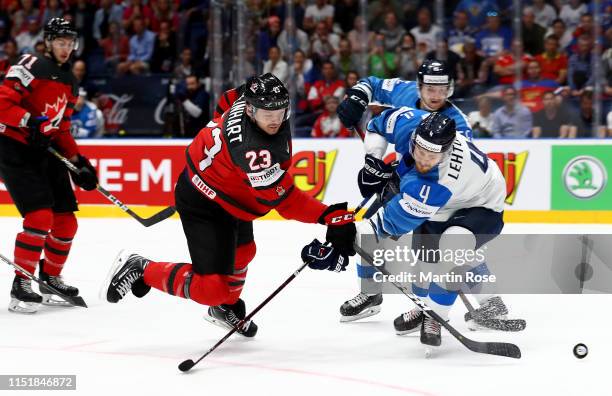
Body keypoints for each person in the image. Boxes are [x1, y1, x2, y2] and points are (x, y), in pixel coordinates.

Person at [101, 74, 357, 337]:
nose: (275, 119)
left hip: (230, 192)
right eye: (267, 114)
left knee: (244, 252)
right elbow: (286, 201)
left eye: (280, 111)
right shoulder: (253, 151)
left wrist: (224, 164)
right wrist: (329, 216)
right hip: (204, 203)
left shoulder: (248, 96)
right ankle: (143, 268)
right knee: (211, 289)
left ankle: (225, 309)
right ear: (251, 110)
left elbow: (226, 101)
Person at [338, 110, 511, 349]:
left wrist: (351, 235)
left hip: (482, 203)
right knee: (426, 256)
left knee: (454, 246)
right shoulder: (410, 123)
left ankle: (437, 316)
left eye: (431, 156)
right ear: (414, 139)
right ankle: (426, 304)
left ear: (446, 151)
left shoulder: (439, 181)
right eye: (419, 152)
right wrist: (374, 160)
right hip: (451, 200)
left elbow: (386, 225)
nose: (423, 160)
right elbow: (377, 125)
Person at [0, 18, 98, 314]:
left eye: (70, 43)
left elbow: (62, 127)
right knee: (40, 217)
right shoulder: (30, 63)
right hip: (15, 148)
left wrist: (79, 162)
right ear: (47, 42)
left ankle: (50, 277)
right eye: (60, 42)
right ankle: (22, 283)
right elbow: (2, 104)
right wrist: (29, 120)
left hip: (47, 148)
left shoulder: (70, 81)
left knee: (66, 221)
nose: (66, 48)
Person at [337, 59, 473, 140]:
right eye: (430, 89)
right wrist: (357, 97)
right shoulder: (406, 90)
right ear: (419, 87)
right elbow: (373, 85)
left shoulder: (460, 125)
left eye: (442, 90)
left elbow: (455, 167)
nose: (436, 96)